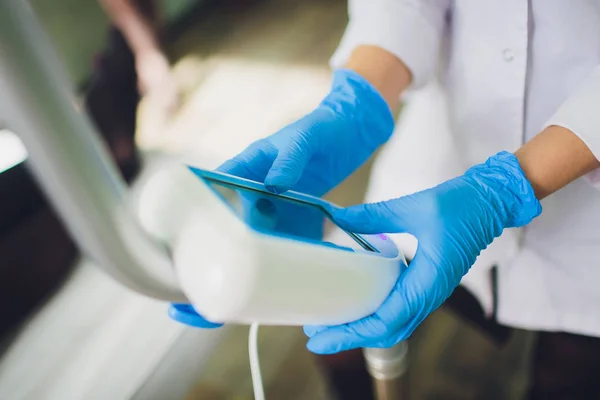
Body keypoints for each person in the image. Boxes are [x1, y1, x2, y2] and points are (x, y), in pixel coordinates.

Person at [173, 1, 600, 398]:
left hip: (586, 214)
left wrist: (504, 188)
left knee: (570, 376)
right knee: (343, 327)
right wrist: (355, 102)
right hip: (444, 149)